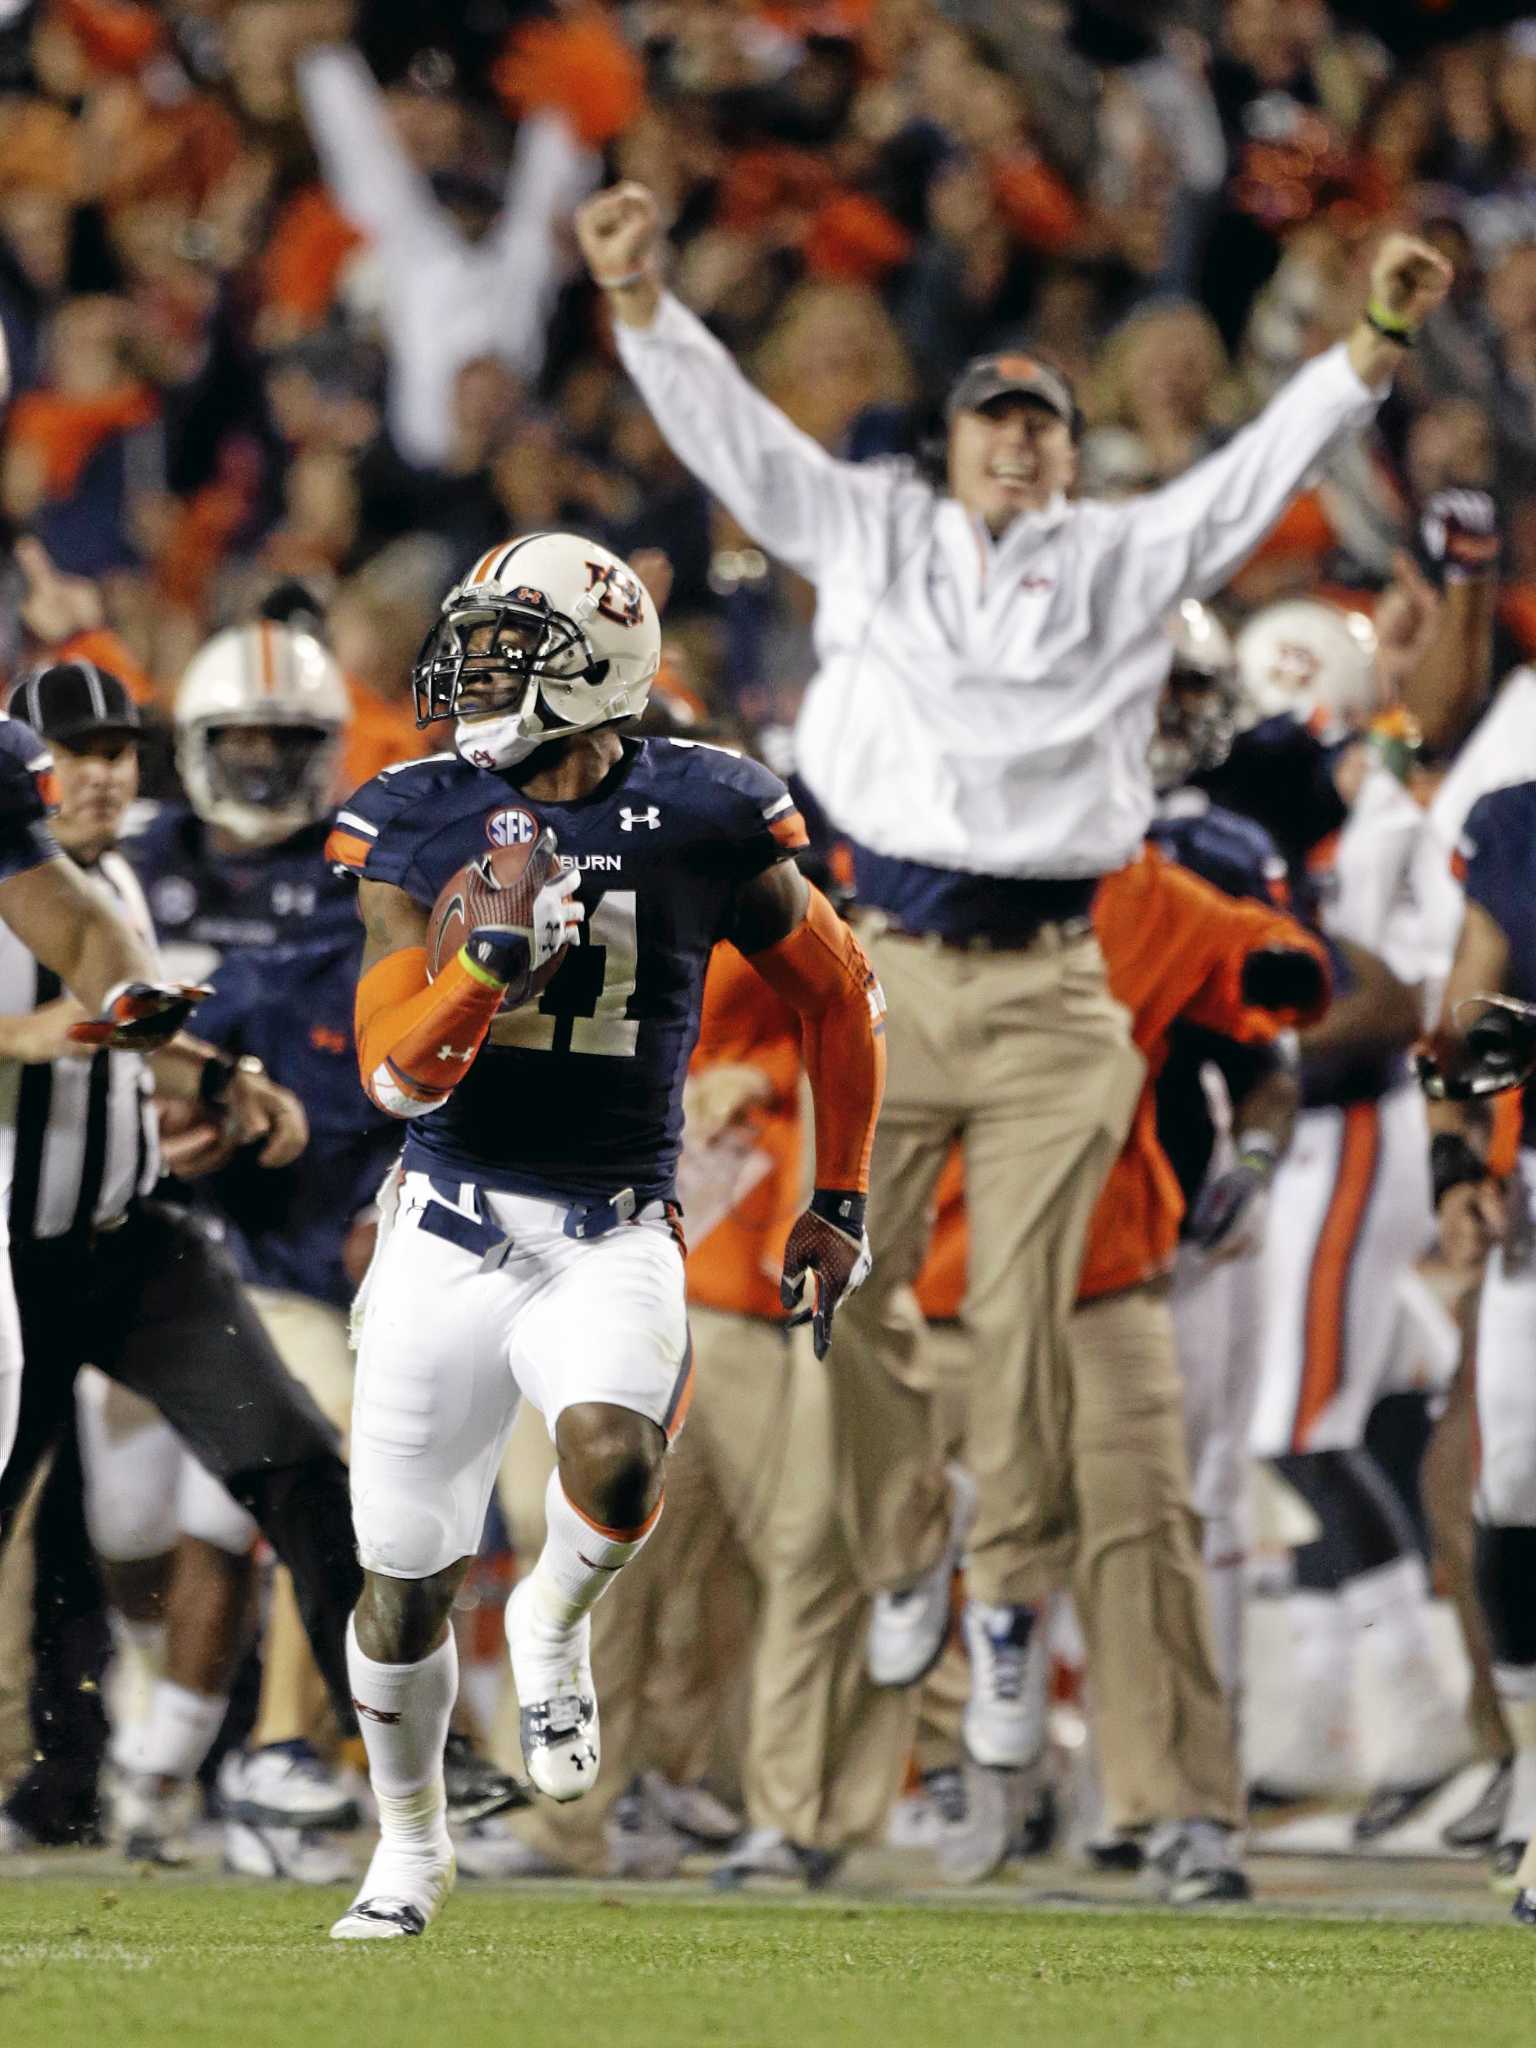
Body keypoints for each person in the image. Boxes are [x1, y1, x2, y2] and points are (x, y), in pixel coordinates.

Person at [576, 179, 1452, 1757]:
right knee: (833, 1294)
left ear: (1064, 446)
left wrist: (1370, 343)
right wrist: (646, 311)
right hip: (893, 961)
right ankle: (916, 1553)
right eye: (995, 417)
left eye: (1041, 420)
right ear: (957, 440)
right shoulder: (879, 532)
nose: (1019, 438)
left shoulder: (1119, 557)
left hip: (1056, 969)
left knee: (1035, 1315)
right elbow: (745, 449)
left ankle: (998, 1609)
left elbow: (1259, 473)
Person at [323, 530, 887, 1939]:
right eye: (478, 638)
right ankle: (409, 1846)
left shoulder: (705, 812)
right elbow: (391, 1073)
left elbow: (840, 994)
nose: (475, 671)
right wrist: (481, 972)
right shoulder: (416, 811)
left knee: (617, 1456)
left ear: (602, 673)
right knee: (402, 1585)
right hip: (448, 1223)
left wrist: (841, 1195)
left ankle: (556, 1626)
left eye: (513, 647)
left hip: (613, 1224)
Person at [0, 661, 366, 1858]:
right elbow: (67, 1019)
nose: (101, 772)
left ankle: (387, 1751)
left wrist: (219, 1077)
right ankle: (59, 1777)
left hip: (128, 1241)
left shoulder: (114, 879)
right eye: (74, 750)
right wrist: (24, 1034)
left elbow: (118, 1016)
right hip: (9, 1257)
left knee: (297, 1460)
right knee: (42, 1538)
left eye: (119, 749)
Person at [1420, 780, 1536, 1916]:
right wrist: (1455, 1167)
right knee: (1513, 1481)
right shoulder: (1515, 824)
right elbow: (1464, 1023)